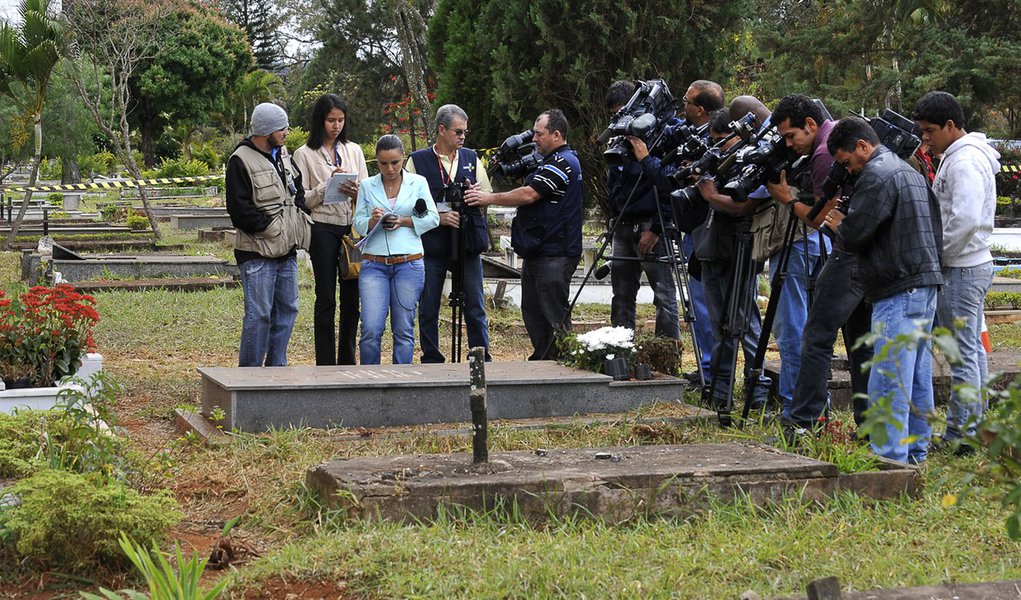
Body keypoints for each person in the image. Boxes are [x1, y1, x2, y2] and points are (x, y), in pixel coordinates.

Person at [827, 116, 943, 464]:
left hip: (898, 285)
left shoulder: (876, 176)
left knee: (889, 376)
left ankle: (889, 456)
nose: (848, 171)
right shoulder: (908, 170)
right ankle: (916, 449)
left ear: (862, 146)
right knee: (917, 374)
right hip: (924, 282)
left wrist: (837, 223)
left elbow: (855, 235)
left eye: (847, 162)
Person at [765, 93, 869, 430]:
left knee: (816, 335)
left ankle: (805, 417)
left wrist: (786, 199)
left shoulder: (825, 153)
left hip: (847, 254)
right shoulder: (836, 136)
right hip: (861, 254)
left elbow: (823, 218)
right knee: (859, 341)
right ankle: (866, 420)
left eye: (791, 136)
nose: (789, 145)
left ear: (811, 125)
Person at [913, 91, 1000, 449]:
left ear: (951, 125)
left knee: (961, 355)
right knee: (971, 352)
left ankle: (960, 435)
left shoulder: (963, 162)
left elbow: (963, 221)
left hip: (962, 268)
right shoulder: (960, 155)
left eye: (930, 131)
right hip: (970, 265)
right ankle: (974, 427)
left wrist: (938, 259)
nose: (925, 139)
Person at [465, 109, 583, 360]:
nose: (534, 139)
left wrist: (488, 198)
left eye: (539, 134)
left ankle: (566, 363)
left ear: (556, 134)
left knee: (553, 313)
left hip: (555, 252)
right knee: (532, 310)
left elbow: (529, 194)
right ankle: (543, 359)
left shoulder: (564, 162)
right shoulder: (548, 161)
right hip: (539, 250)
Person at [694, 105, 772, 414]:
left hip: (739, 252)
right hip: (712, 251)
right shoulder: (718, 162)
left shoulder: (753, 158)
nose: (717, 147)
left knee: (744, 325)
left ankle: (758, 392)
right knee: (719, 327)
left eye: (721, 140)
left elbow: (746, 205)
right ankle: (720, 389)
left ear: (738, 134)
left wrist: (712, 195)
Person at [226, 102, 311, 367]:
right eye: (281, 127)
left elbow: (296, 192)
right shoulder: (240, 160)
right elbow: (240, 212)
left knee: (288, 310)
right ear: (266, 130)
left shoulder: (283, 155)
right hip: (257, 253)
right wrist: (272, 229)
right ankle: (249, 376)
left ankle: (276, 371)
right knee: (259, 316)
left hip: (286, 251)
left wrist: (299, 218)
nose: (286, 132)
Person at [407, 104, 493, 363]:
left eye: (465, 132)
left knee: (475, 304)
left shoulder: (471, 158)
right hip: (432, 244)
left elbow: (486, 197)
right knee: (429, 303)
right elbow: (407, 203)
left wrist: (475, 194)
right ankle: (431, 357)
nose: (463, 137)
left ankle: (479, 355)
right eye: (458, 131)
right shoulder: (417, 160)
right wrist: (438, 216)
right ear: (441, 130)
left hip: (466, 242)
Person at [291, 94, 369, 366]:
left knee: (352, 294)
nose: (336, 125)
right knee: (325, 295)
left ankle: (347, 359)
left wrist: (356, 190)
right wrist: (327, 187)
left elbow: (367, 192)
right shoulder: (303, 154)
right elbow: (301, 200)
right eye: (330, 120)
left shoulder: (354, 150)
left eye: (340, 120)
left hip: (352, 229)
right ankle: (324, 362)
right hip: (322, 227)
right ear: (319, 121)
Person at [352, 134, 440, 364]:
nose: (389, 168)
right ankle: (369, 381)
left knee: (403, 330)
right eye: (383, 163)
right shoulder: (367, 185)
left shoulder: (418, 182)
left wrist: (403, 221)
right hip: (374, 263)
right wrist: (373, 220)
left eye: (395, 162)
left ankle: (402, 384)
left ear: (403, 159)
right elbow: (357, 223)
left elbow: (433, 218)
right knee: (371, 329)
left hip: (409, 263)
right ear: (376, 162)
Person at [603, 81, 680, 341]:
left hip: (650, 226)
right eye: (615, 112)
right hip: (622, 225)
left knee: (664, 295)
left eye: (622, 110)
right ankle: (621, 350)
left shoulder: (661, 135)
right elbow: (614, 185)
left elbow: (670, 186)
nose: (620, 117)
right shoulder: (620, 139)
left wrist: (658, 228)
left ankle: (667, 353)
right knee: (622, 295)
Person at [679, 80, 725, 385]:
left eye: (686, 101)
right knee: (701, 303)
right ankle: (708, 368)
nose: (682, 105)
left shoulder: (719, 142)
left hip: (707, 231)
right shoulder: (691, 136)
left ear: (701, 110)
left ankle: (712, 371)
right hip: (695, 228)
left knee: (706, 303)